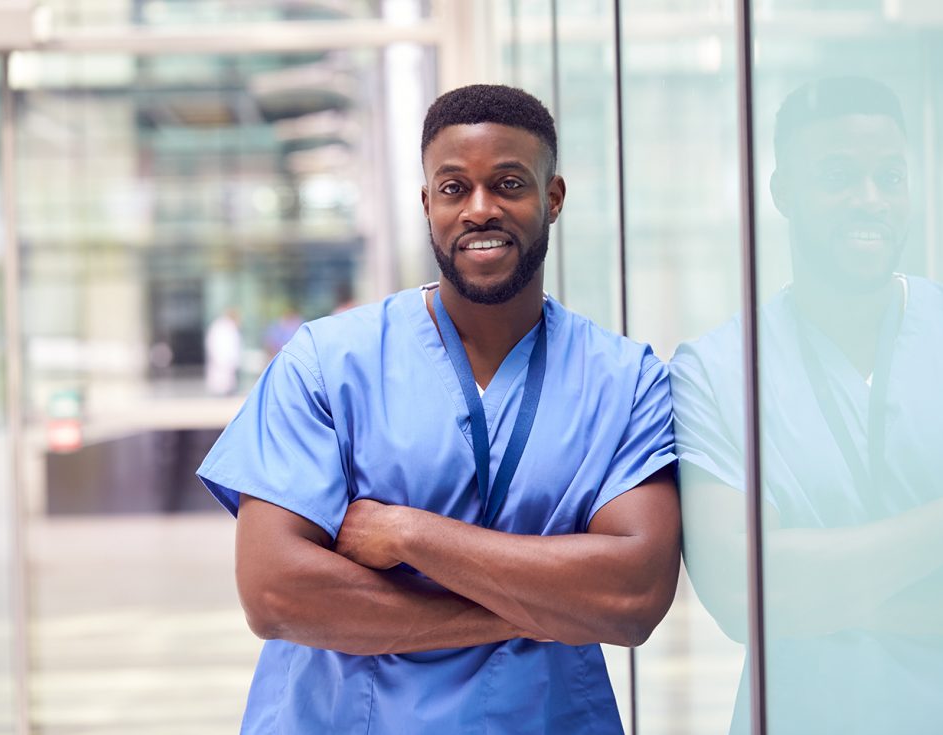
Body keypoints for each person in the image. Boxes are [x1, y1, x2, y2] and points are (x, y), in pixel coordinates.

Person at [198, 84, 681, 734]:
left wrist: (406, 533)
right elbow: (276, 592)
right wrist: (526, 609)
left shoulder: (625, 380)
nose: (480, 208)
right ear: (428, 204)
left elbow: (633, 595)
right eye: (454, 188)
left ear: (553, 197)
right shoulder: (328, 362)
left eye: (508, 183)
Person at [671, 77, 943, 734]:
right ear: (782, 194)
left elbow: (778, 585)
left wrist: (815, 579)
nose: (870, 200)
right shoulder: (716, 370)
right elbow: (743, 596)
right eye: (839, 176)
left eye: (890, 177)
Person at [204, 307, 242, 396]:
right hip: (222, 360)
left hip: (225, 361)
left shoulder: (225, 327)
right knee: (222, 383)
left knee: (227, 383)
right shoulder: (223, 327)